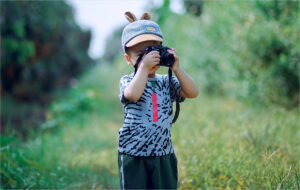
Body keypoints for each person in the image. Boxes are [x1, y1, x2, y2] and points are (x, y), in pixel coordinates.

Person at [118, 11, 198, 189]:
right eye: (141, 53)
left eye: (153, 51)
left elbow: (192, 92)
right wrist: (144, 68)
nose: (149, 57)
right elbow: (133, 94)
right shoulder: (128, 81)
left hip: (163, 153)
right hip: (133, 153)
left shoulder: (165, 81)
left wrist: (176, 69)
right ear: (128, 59)